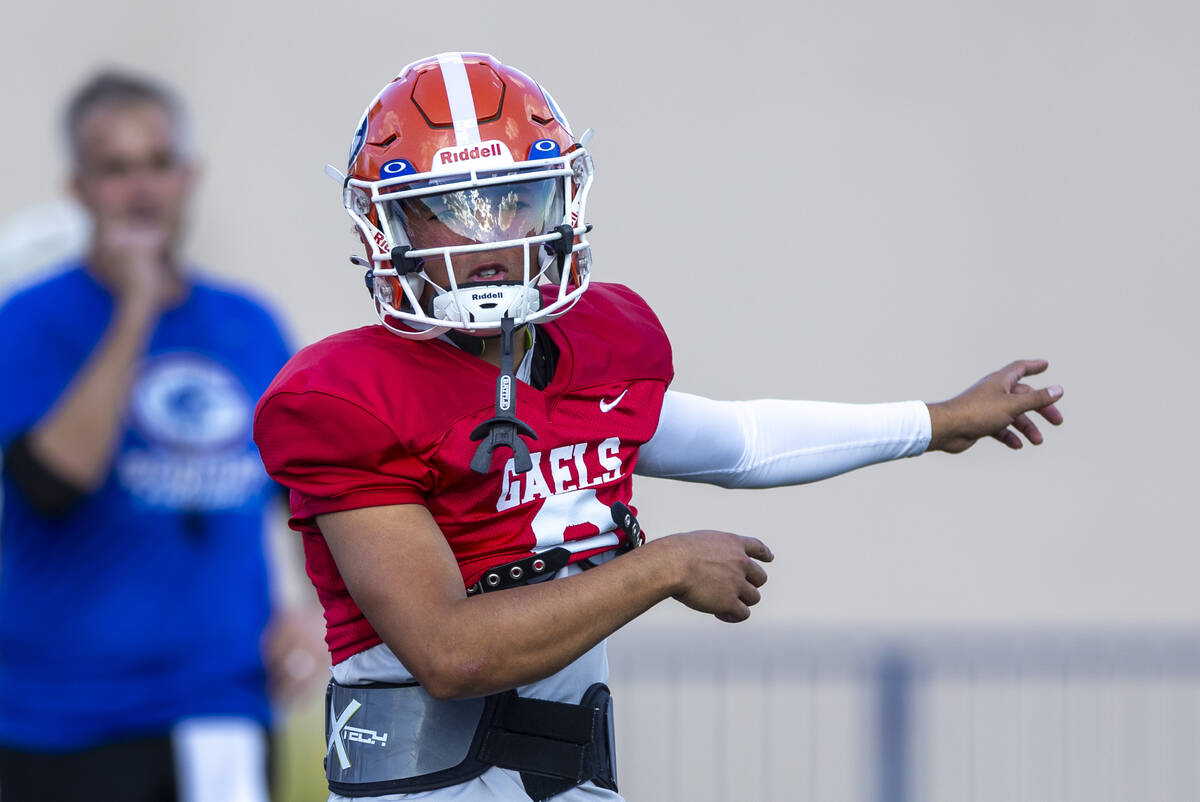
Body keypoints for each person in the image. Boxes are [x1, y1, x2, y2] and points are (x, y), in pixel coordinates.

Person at [252, 52, 1064, 802]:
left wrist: (938, 421)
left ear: (564, 202)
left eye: (513, 203)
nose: (489, 240)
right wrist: (663, 566)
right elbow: (451, 651)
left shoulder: (597, 350)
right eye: (447, 211)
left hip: (569, 781)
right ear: (388, 229)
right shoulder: (344, 397)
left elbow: (742, 441)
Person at [0, 71, 324, 802]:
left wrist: (313, 615)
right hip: (52, 718)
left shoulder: (250, 324)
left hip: (216, 706)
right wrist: (136, 309)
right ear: (78, 188)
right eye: (116, 170)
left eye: (157, 164)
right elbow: (53, 482)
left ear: (188, 176)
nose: (141, 190)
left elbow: (308, 496)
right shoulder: (29, 321)